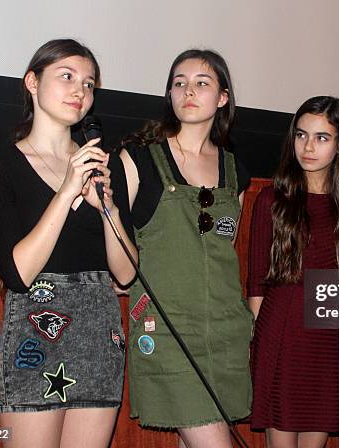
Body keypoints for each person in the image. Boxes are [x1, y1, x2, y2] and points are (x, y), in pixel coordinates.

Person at [0, 39, 137, 448]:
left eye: (89, 83)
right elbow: (17, 273)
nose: (80, 91)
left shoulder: (103, 164)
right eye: (66, 76)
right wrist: (66, 193)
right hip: (35, 329)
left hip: (99, 331)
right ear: (32, 81)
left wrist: (109, 210)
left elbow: (127, 273)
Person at [119, 49, 252, 448]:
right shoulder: (138, 159)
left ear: (223, 98)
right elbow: (109, 232)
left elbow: (224, 245)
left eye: (201, 83)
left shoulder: (235, 170)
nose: (188, 91)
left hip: (225, 327)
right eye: (179, 82)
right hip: (168, 327)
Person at [248, 96, 339, 447]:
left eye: (321, 137)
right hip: (280, 331)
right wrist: (263, 345)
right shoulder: (271, 199)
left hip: (325, 336)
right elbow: (255, 285)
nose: (308, 146)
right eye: (301, 135)